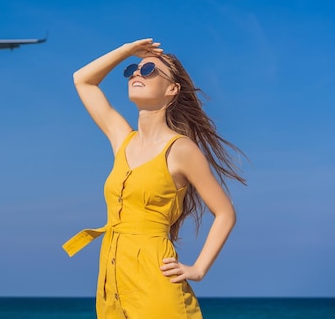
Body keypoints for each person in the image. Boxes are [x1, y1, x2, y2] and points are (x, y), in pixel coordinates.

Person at [63, 38, 246, 319]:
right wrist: (127, 51)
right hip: (111, 286)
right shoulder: (122, 140)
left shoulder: (181, 149)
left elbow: (225, 213)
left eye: (149, 70)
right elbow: (83, 81)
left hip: (155, 286)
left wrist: (198, 269)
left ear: (172, 89)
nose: (137, 72)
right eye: (133, 69)